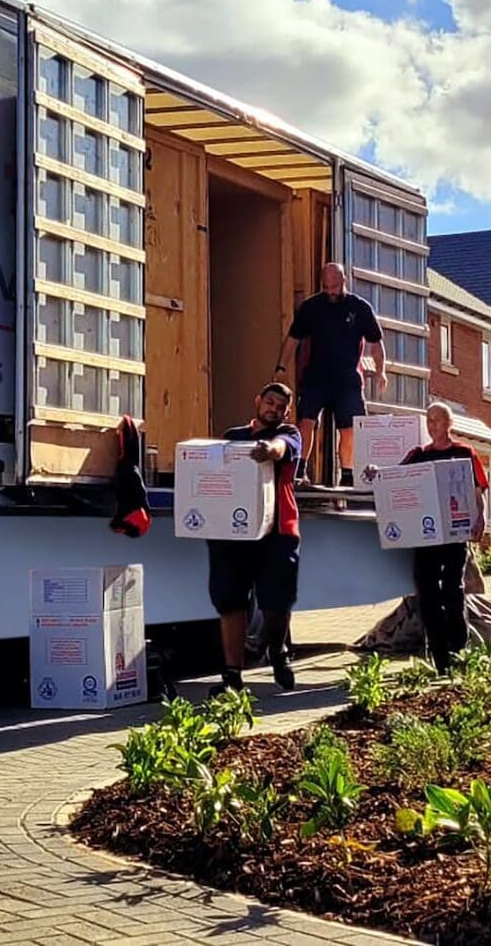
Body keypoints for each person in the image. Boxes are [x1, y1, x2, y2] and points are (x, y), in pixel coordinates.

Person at [365, 401, 489, 675]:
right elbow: (395, 478)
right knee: (428, 594)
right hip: (426, 539)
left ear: (449, 424)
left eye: (439, 421)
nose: (433, 426)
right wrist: (376, 472)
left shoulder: (464, 452)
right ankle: (439, 658)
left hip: (454, 537)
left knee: (453, 592)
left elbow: (478, 491)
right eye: (430, 421)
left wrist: (481, 519)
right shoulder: (418, 455)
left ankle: (459, 652)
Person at [208, 381, 302, 695]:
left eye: (280, 407)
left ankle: (278, 652)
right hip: (232, 535)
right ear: (258, 400)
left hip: (277, 533)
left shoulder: (290, 434)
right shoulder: (232, 438)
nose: (273, 409)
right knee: (230, 601)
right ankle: (232, 677)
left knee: (276, 603)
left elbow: (281, 448)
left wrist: (267, 451)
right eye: (270, 403)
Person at [276, 263, 385, 486]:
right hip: (316, 376)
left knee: (349, 428)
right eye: (326, 287)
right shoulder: (311, 307)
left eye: (335, 287)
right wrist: (281, 367)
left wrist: (381, 371)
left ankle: (346, 475)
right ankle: (300, 469)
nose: (331, 292)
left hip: (347, 379)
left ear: (344, 282)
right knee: (306, 421)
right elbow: (293, 339)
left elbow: (376, 343)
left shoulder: (360, 308)